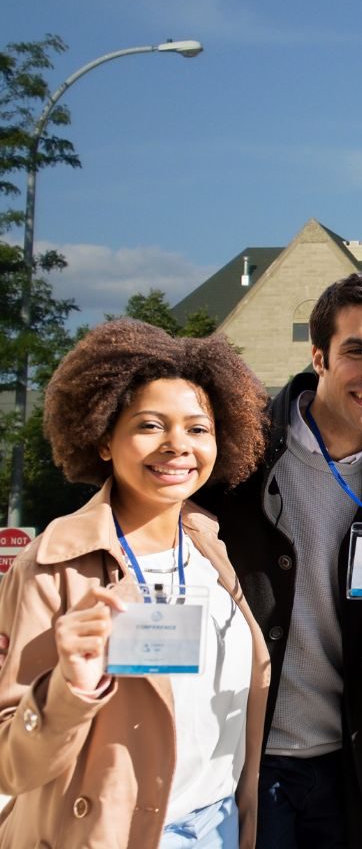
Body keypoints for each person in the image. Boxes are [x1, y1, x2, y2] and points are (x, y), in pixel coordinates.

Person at [0, 319, 270, 848]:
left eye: (198, 428)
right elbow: (11, 764)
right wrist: (70, 689)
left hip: (218, 825)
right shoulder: (52, 565)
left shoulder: (210, 548)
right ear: (104, 439)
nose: (178, 446)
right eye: (150, 425)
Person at [196, 269, 362, 849]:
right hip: (234, 761)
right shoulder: (233, 458)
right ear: (319, 358)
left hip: (342, 764)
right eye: (357, 351)